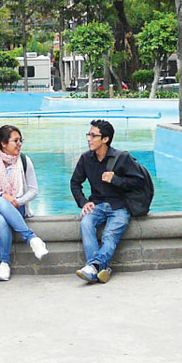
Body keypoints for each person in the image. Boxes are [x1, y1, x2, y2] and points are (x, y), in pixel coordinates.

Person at [71, 118, 146, 284]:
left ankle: (94, 267)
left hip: (119, 207)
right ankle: (99, 268)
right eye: (88, 135)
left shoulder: (122, 158)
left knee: (109, 235)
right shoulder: (86, 159)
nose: (88, 139)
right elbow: (75, 183)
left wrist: (116, 180)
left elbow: (139, 182)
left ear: (105, 139)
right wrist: (83, 202)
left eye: (93, 135)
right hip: (96, 204)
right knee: (86, 223)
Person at [0, 124, 48, 281]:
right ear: (3, 143)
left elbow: (33, 190)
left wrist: (17, 201)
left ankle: (4, 264)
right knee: (1, 203)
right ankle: (31, 238)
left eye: (21, 140)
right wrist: (2, 195)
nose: (19, 144)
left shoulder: (24, 161)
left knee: (2, 218)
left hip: (17, 207)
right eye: (15, 141)